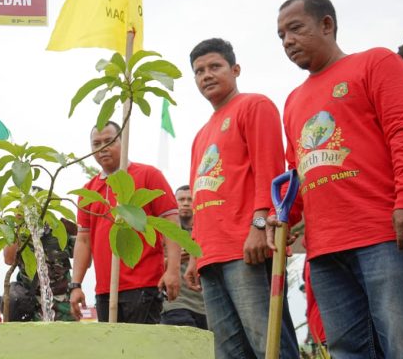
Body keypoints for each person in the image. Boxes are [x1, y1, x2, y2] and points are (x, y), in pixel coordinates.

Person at [271, 0, 403, 357]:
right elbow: (298, 171)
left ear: (327, 25)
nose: (287, 41)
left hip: (385, 235)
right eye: (281, 36)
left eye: (295, 29)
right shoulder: (293, 101)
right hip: (325, 251)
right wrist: (282, 219)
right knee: (347, 351)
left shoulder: (375, 63)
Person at [183, 38, 298, 358]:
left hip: (246, 248)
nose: (206, 75)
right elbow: (198, 198)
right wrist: (194, 254)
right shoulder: (200, 135)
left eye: (214, 67)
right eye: (199, 71)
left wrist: (260, 225)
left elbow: (271, 171)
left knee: (269, 344)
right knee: (228, 350)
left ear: (235, 70)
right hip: (210, 256)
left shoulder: (254, 106)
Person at [70, 121, 182, 324]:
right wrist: (76, 284)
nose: (102, 148)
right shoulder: (89, 191)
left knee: (141, 352)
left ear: (123, 142)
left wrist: (173, 269)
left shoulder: (149, 176)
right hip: (105, 290)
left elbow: (171, 224)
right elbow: (84, 240)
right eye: (96, 144)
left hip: (143, 286)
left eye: (109, 141)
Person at [3, 215, 77, 322]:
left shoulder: (60, 230)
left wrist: (78, 231)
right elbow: (9, 259)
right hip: (30, 305)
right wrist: (16, 228)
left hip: (63, 304)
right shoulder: (22, 234)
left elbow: (85, 257)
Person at [160, 185, 207, 329]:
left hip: (204, 306)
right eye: (181, 199)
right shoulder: (164, 232)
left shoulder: (205, 232)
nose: (186, 203)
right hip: (175, 304)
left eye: (189, 199)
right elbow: (148, 266)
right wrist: (173, 260)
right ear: (174, 203)